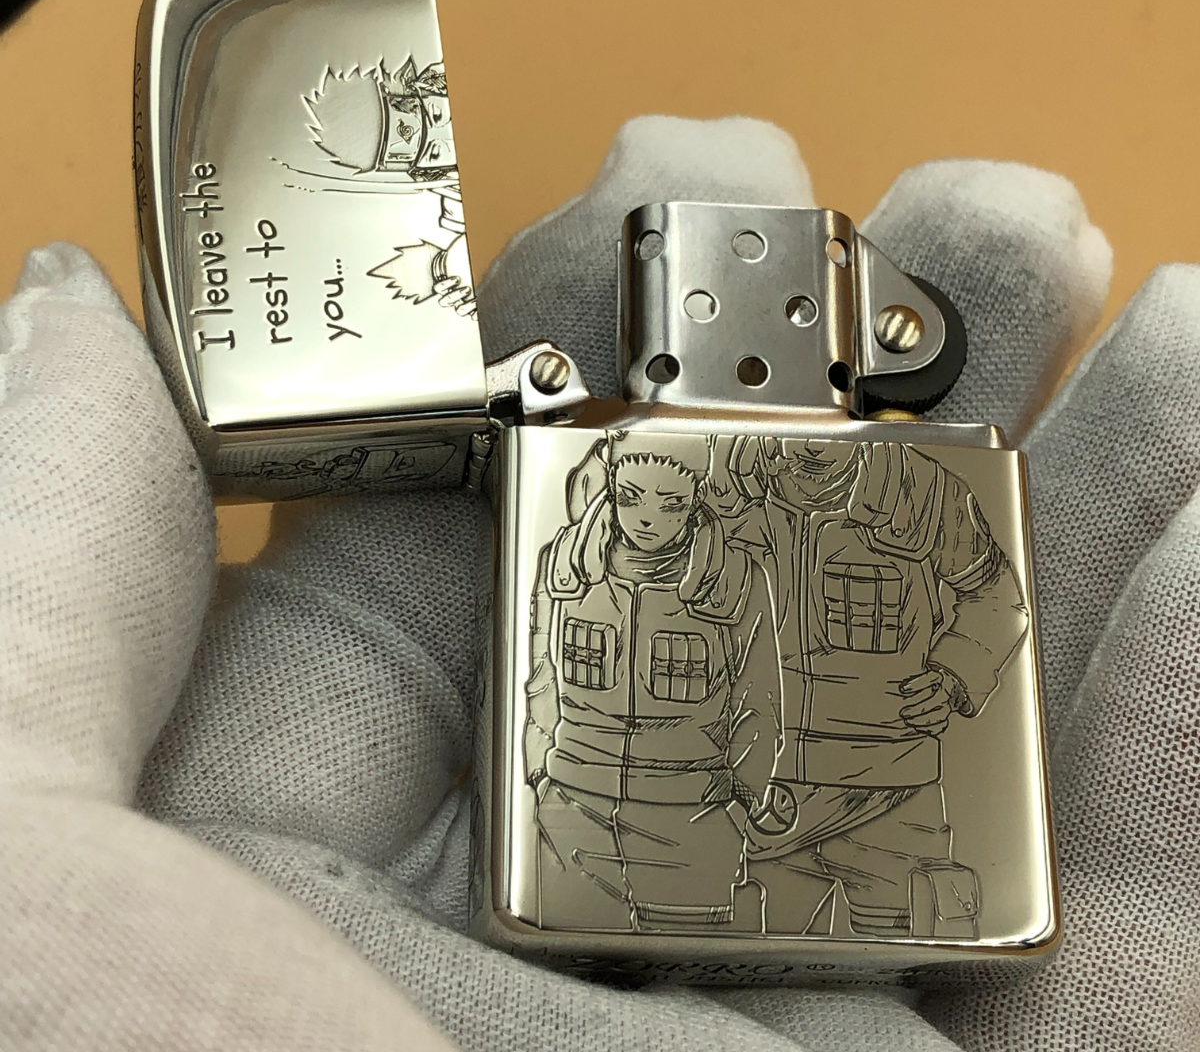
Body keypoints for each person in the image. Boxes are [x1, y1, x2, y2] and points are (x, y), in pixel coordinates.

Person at [6, 116, 1198, 1051]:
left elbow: (953, 615)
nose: (655, 506)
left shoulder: (900, 505)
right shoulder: (615, 510)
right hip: (643, 819)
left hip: (863, 805)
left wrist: (947, 679)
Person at [712, 436, 1028, 938]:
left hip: (891, 786)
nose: (812, 449)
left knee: (907, 942)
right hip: (759, 785)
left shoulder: (923, 490)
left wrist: (952, 676)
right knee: (748, 949)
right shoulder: (728, 485)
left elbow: (998, 595)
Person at [523, 435, 782, 930]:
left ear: (697, 497)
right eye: (630, 497)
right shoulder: (564, 566)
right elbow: (541, 673)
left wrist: (742, 798)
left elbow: (758, 698)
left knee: (687, 956)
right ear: (609, 487)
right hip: (572, 800)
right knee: (558, 955)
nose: (647, 519)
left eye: (671, 504)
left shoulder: (737, 578)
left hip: (691, 813)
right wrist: (540, 769)